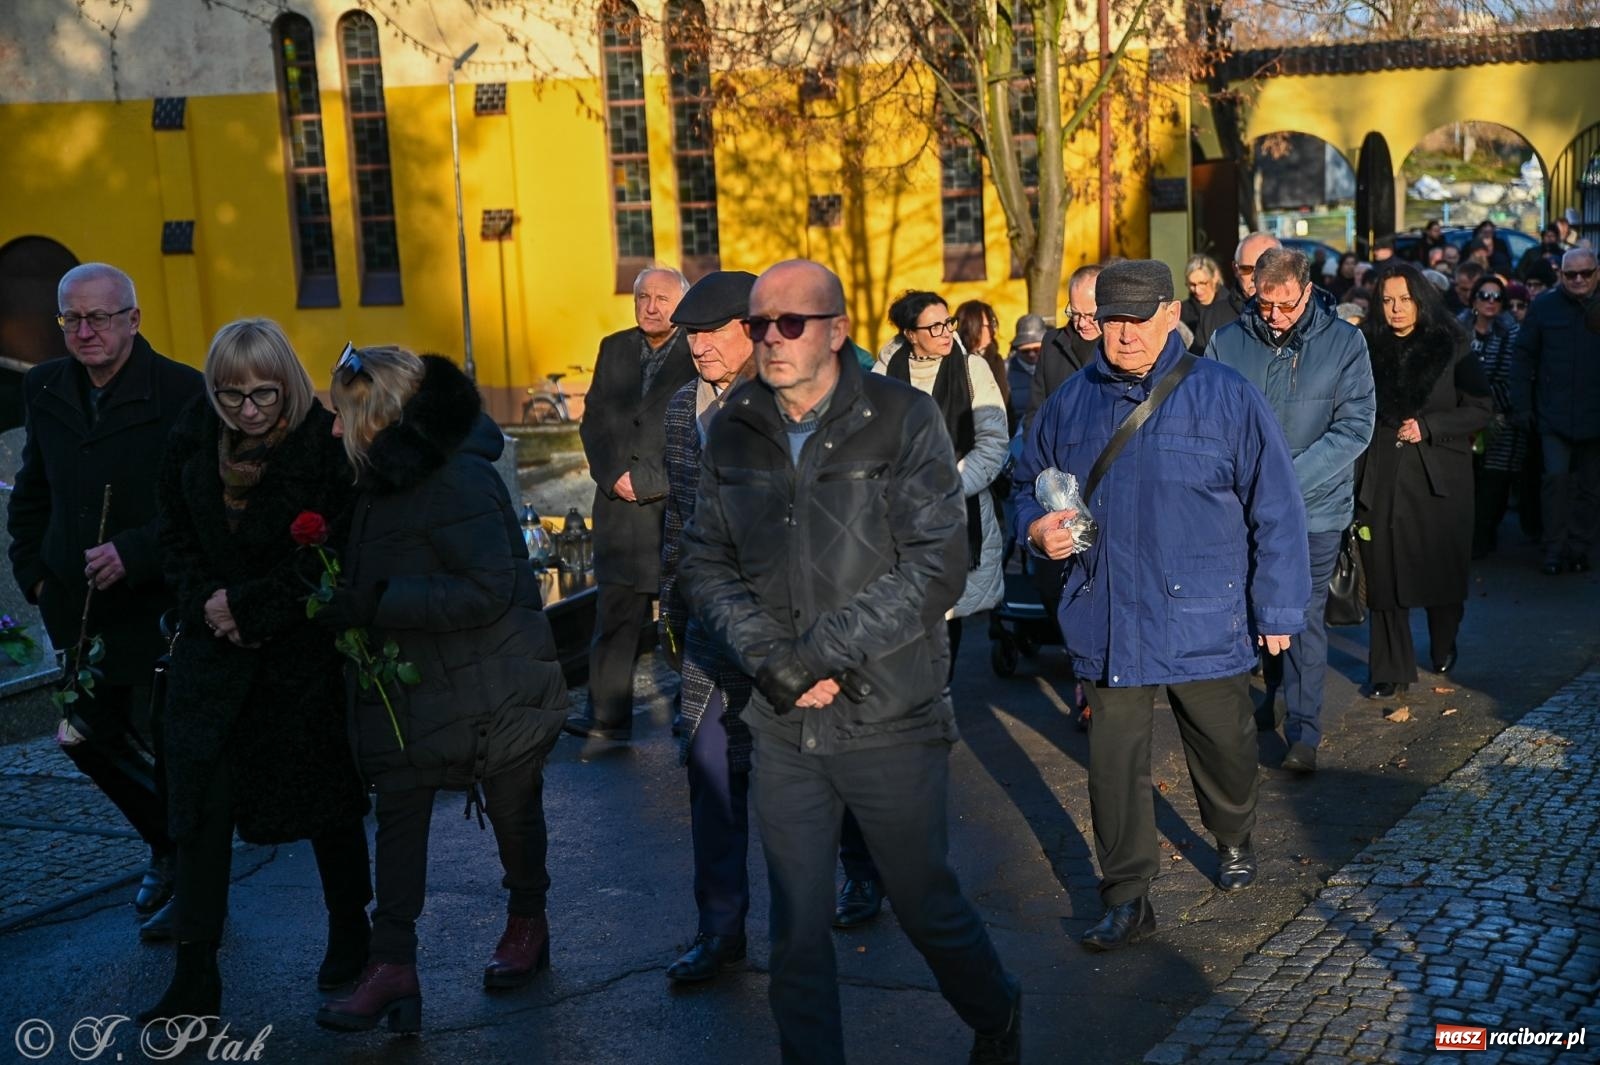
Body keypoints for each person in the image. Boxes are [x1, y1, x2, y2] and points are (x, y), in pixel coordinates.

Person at [679, 259, 1022, 1065]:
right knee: (796, 926)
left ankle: (996, 1009)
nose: (770, 338)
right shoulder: (733, 426)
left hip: (890, 712)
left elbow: (937, 562)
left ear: (835, 330)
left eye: (789, 322)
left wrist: (817, 654)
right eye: (759, 323)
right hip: (782, 719)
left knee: (922, 900)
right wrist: (775, 663)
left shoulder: (901, 418)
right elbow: (703, 562)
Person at [1015, 259, 1309, 951]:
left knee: (1226, 746)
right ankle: (1126, 894)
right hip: (1107, 613)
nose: (1123, 334)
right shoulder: (1069, 402)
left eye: (1138, 318)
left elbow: (1278, 507)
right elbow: (1027, 480)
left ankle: (1233, 831)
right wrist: (1033, 525)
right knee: (1113, 765)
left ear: (1171, 312)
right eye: (1111, 319)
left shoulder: (1226, 396)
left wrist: (1279, 610)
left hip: (1204, 613)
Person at [316, 346, 568, 1033]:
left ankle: (527, 918)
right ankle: (391, 963)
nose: (336, 431)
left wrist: (379, 599)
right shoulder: (382, 474)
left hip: (494, 681)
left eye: (345, 417)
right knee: (398, 819)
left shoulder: (458, 477)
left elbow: (488, 588)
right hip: (414, 687)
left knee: (513, 810)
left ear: (380, 414)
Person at [144, 319, 371, 1023]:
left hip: (294, 662)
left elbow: (330, 556)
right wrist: (208, 605)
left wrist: (250, 606)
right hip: (212, 662)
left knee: (326, 803)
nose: (247, 410)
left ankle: (350, 929)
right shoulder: (191, 439)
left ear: (289, 386)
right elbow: (174, 535)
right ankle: (195, 973)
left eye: (262, 394)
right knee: (198, 817)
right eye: (231, 395)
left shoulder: (322, 449)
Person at [8, 263, 204, 936]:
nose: (85, 331)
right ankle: (167, 840)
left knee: (168, 742)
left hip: (156, 605)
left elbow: (200, 501)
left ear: (133, 319)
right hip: (76, 606)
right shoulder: (45, 387)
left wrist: (136, 550)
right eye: (72, 319)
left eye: (99, 317)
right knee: (81, 734)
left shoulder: (181, 390)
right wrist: (33, 571)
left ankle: (186, 871)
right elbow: (32, 491)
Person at [1207, 248, 1376, 774]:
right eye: (1265, 305)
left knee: (1301, 616)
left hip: (1316, 510)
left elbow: (1355, 426)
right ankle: (1272, 694)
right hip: (1243, 508)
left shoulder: (1345, 342)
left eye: (1286, 305)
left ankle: (1304, 731)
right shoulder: (1227, 341)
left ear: (1307, 291)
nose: (1275, 316)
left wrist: (1283, 482)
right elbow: (1210, 422)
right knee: (1256, 610)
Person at [567, 267, 696, 740]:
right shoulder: (614, 347)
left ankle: (694, 712)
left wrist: (644, 481)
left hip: (669, 510)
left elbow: (696, 430)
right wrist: (610, 475)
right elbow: (593, 421)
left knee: (682, 620)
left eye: (662, 298)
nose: (650, 306)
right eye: (643, 296)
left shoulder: (697, 349)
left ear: (680, 304)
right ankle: (606, 716)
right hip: (617, 511)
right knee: (614, 618)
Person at [1357, 263, 1493, 699]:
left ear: (1421, 299)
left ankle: (1442, 642)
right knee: (1383, 574)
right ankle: (1388, 669)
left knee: (1439, 570)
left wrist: (1430, 426)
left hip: (1438, 474)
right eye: (1387, 300)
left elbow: (1480, 408)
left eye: (1405, 299)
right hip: (1381, 470)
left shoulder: (1451, 344)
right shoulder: (1365, 346)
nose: (1396, 309)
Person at [876, 290, 1007, 674]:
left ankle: (936, 707)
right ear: (910, 334)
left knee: (943, 625)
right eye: (934, 326)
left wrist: (945, 488)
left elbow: (993, 441)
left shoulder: (972, 370)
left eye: (947, 322)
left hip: (957, 513)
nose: (946, 332)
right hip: (895, 517)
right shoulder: (884, 374)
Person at [1510, 247, 1600, 575]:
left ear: (1597, 273)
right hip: (1554, 412)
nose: (1578, 280)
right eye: (1571, 274)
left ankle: (1579, 548)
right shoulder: (1544, 307)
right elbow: (1523, 356)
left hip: (1594, 413)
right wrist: (1521, 406)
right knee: (1555, 482)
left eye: (1585, 273)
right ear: (1561, 275)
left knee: (1590, 487)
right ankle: (1554, 548)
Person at [1458, 274, 1526, 558]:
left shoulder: (1512, 334)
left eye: (1497, 297)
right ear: (1474, 300)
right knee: (1466, 483)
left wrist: (1484, 401)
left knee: (1492, 485)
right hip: (1462, 420)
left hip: (1499, 421)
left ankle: (1485, 538)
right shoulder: (1459, 331)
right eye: (1484, 296)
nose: (1490, 302)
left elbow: (1513, 378)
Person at [1026, 264, 1103, 427]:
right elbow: (1036, 411)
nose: (1082, 323)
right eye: (1075, 314)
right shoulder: (1052, 343)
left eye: (1091, 315)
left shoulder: (1123, 346)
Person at [956, 300, 1010, 416]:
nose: (993, 330)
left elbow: (1003, 404)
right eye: (988, 325)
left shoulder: (995, 360)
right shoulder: (954, 361)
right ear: (971, 325)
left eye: (993, 324)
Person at [1179, 254, 1238, 355]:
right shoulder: (1182, 311)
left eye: (1202, 283)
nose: (1197, 290)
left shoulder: (1233, 306)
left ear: (1215, 277)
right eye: (1192, 285)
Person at [1006, 314, 1047, 432]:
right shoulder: (1006, 370)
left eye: (1037, 349)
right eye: (1025, 351)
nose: (1032, 354)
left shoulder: (1055, 366)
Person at [1230, 232, 1281, 311]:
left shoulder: (1298, 316)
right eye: (1246, 269)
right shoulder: (1213, 317)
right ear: (1235, 269)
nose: (1254, 277)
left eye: (1264, 269)